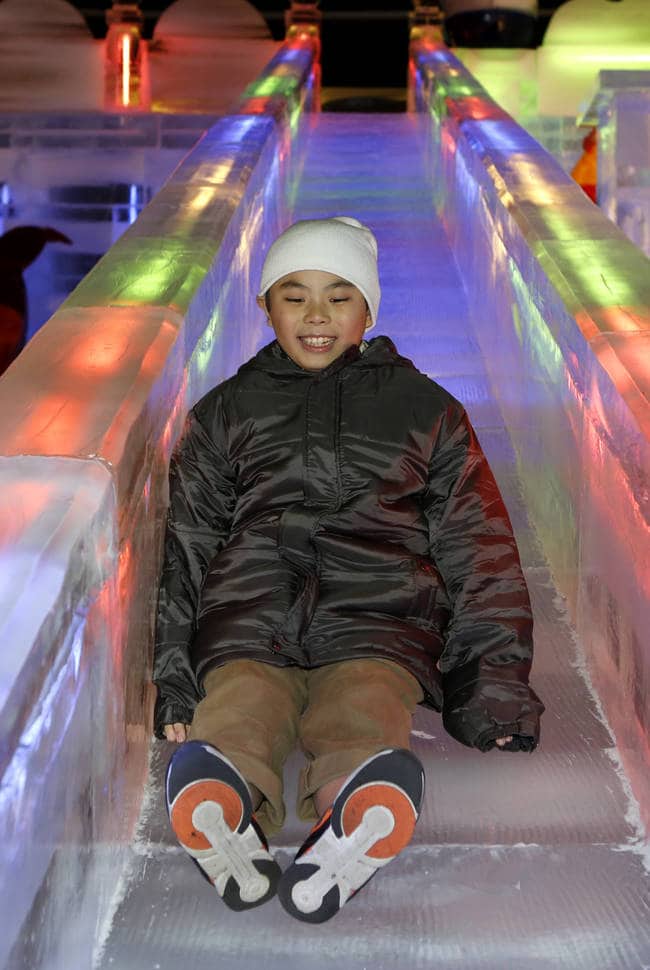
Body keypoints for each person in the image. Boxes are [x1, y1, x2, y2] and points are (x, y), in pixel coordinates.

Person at [154, 216, 544, 923]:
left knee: (364, 701)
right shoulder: (224, 413)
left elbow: (478, 548)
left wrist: (493, 690)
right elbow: (188, 547)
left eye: (339, 296)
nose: (315, 317)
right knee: (241, 701)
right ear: (265, 305)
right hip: (250, 612)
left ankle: (354, 810)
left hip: (381, 617)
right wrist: (177, 679)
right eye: (294, 295)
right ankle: (226, 800)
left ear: (369, 308)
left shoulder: (427, 411)